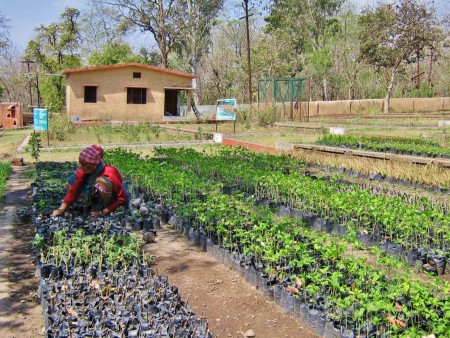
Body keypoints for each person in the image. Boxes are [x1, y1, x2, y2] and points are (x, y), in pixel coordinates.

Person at [51, 144, 128, 217]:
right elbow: (74, 190)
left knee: (102, 182)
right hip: (96, 194)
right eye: (81, 164)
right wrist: (61, 209)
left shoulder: (110, 172)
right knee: (72, 180)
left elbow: (122, 197)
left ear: (95, 163)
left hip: (114, 199)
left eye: (85, 164)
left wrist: (104, 211)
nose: (82, 167)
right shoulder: (83, 171)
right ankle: (94, 204)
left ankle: (104, 207)